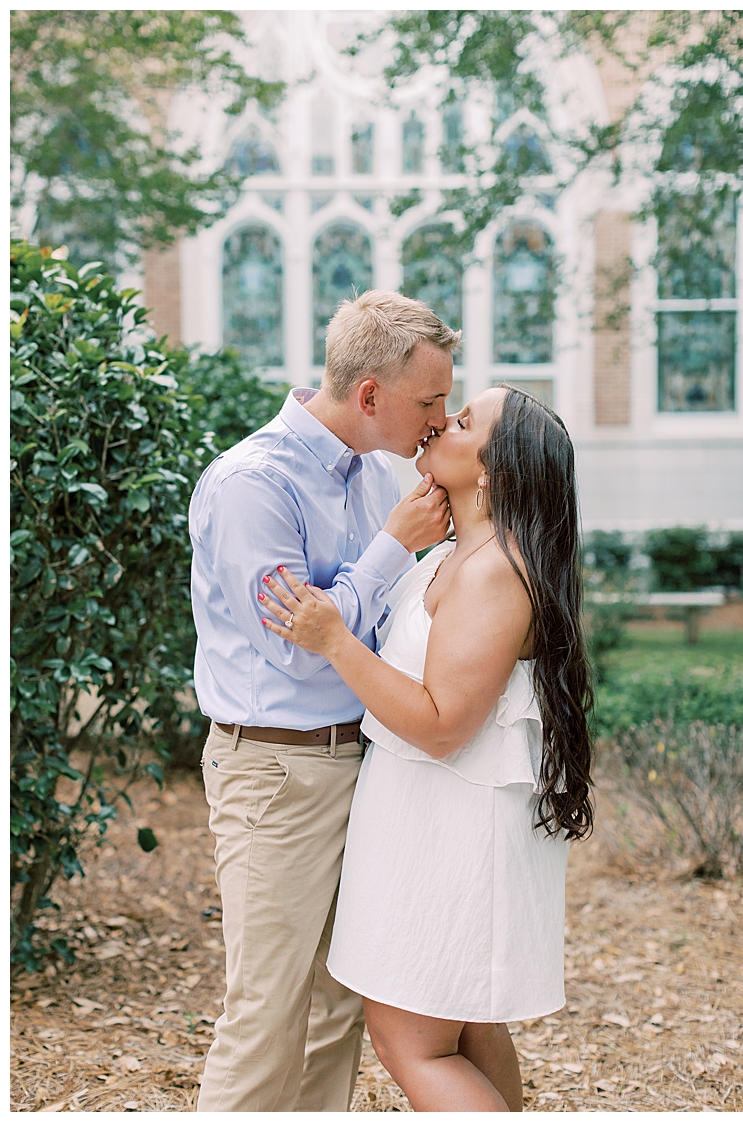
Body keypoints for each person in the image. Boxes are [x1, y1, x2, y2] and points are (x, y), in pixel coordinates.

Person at [258, 384, 594, 1111]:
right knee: (466, 1029)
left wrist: (334, 643)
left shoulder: (494, 572)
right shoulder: (464, 551)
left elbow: (444, 723)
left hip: (455, 828)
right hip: (431, 820)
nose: (442, 421)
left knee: (411, 1041)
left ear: (493, 473)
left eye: (465, 421)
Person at [189, 290, 457, 1110]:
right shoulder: (250, 485)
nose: (440, 420)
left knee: (339, 1007)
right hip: (276, 772)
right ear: (370, 395)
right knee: (266, 1012)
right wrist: (391, 548)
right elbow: (292, 641)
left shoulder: (377, 476)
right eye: (430, 401)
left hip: (363, 764)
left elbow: (367, 623)